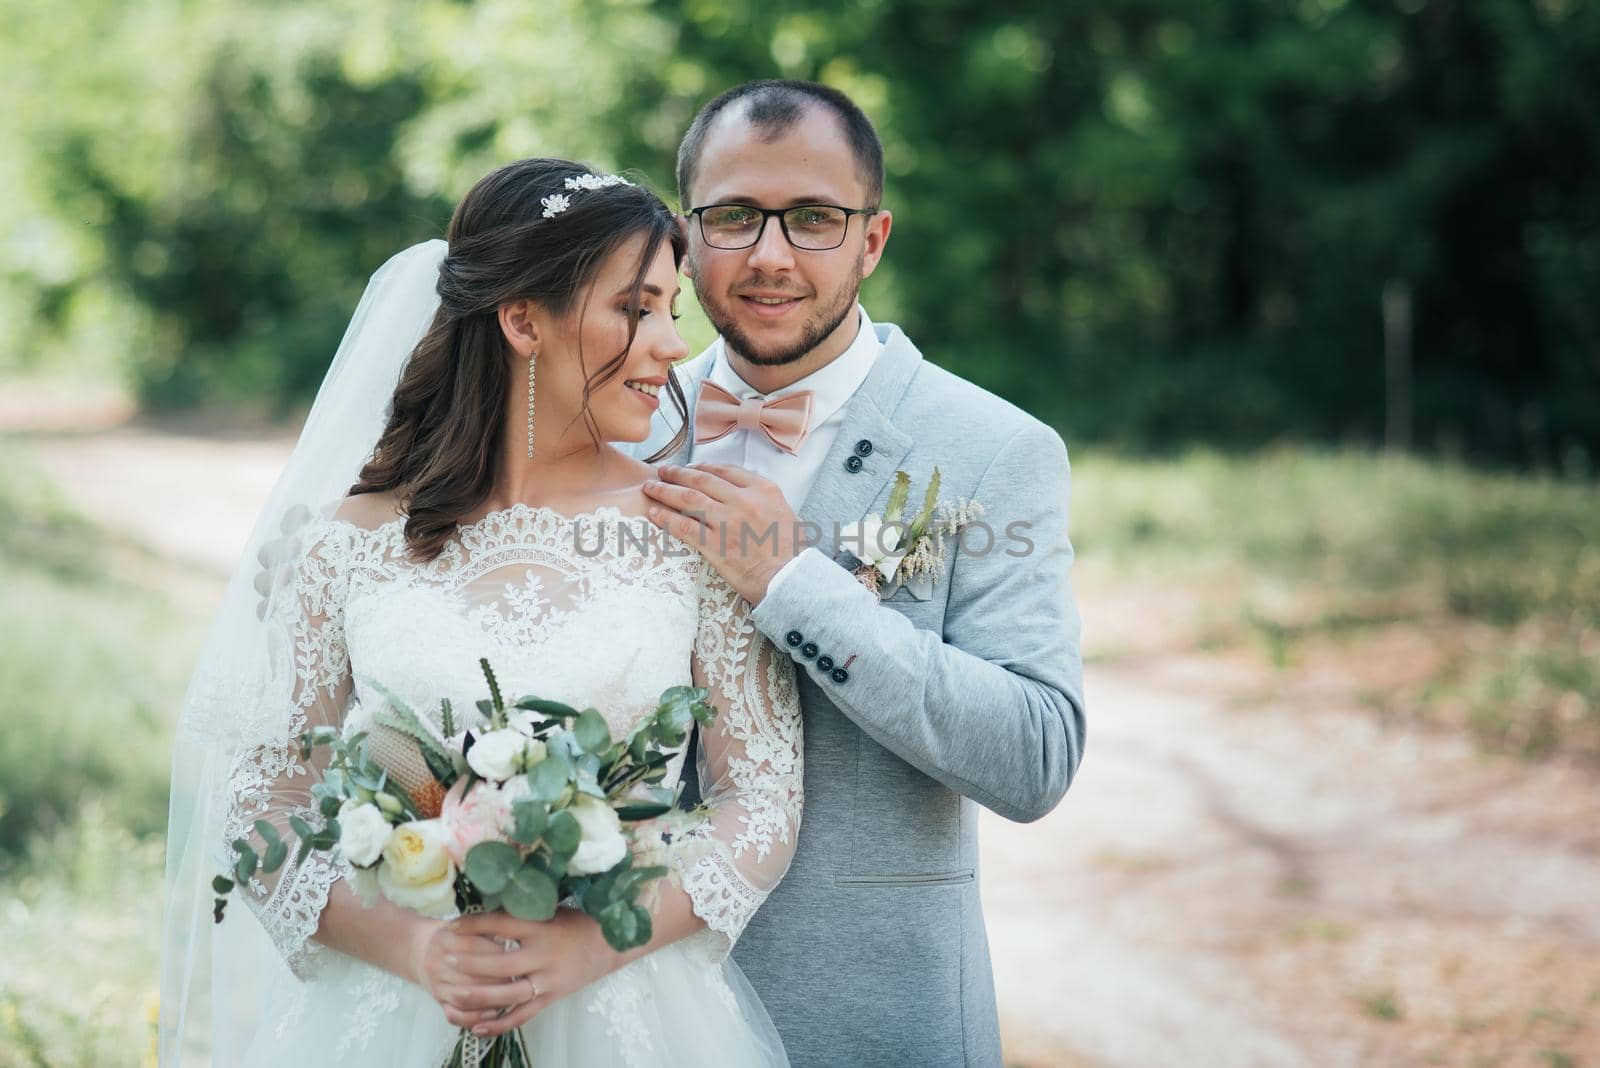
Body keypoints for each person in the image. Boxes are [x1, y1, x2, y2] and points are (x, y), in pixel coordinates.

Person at [158, 158, 802, 1067]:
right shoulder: (344, 543)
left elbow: (763, 798)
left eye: (670, 312)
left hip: (632, 1010)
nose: (667, 344)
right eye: (634, 307)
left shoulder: (694, 528)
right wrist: (415, 947)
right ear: (522, 319)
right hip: (389, 1012)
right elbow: (264, 803)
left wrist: (589, 943)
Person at [631, 80, 1085, 1067]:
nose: (769, 254)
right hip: (622, 1007)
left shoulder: (991, 449)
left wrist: (795, 586)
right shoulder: (608, 424)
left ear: (871, 240)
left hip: (868, 1016)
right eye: (734, 216)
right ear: (683, 234)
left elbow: (1036, 754)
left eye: (813, 219)